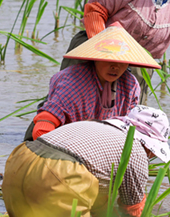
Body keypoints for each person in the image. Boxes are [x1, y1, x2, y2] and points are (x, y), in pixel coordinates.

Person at [4, 105, 170, 217]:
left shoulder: (94, 126)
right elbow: (135, 212)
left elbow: (99, 205)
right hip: (60, 171)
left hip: (20, 159)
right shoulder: (135, 151)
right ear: (150, 145)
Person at [27, 23, 160, 140]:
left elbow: (129, 125)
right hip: (63, 140)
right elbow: (47, 120)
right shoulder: (72, 81)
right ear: (95, 58)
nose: (115, 67)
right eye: (109, 60)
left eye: (121, 61)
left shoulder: (130, 85)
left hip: (102, 142)